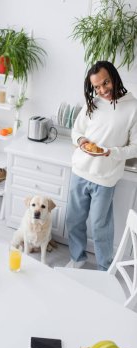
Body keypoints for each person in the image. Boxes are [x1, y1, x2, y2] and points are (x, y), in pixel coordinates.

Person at [66, 61, 137, 271]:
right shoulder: (93, 104)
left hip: (105, 177)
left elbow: (135, 147)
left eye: (105, 83)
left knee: (100, 226)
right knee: (74, 220)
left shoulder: (133, 107)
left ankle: (104, 268)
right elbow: (76, 131)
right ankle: (77, 258)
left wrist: (111, 152)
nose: (102, 90)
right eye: (97, 87)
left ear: (114, 77)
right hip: (80, 170)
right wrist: (81, 142)